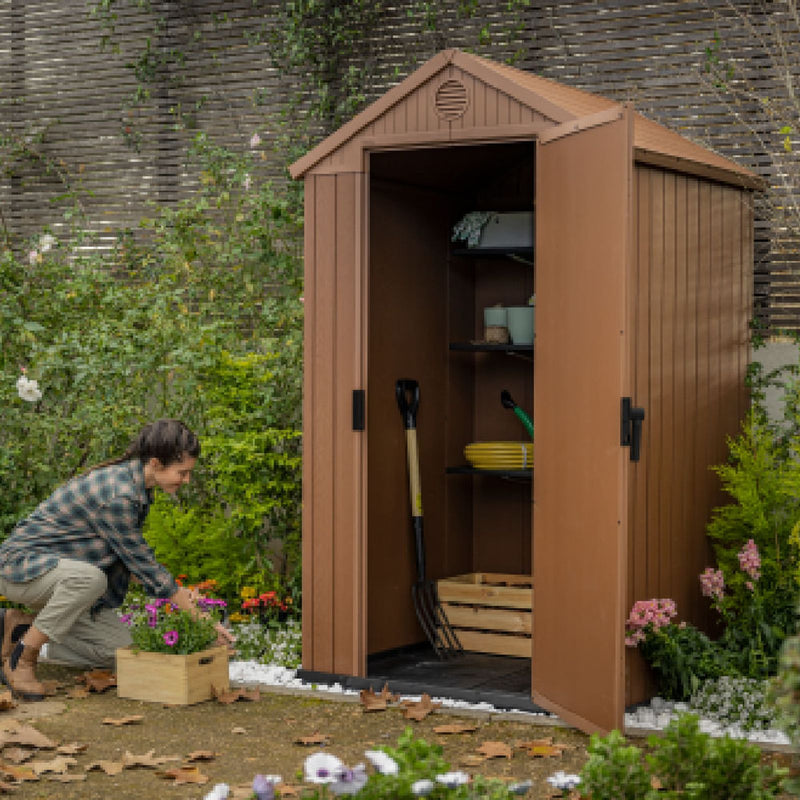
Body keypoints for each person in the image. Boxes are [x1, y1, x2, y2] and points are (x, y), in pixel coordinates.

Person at [0, 419, 234, 701]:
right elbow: (144, 566)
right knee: (91, 580)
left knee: (122, 653)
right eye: (182, 473)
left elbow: (134, 563)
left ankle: (23, 628)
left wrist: (181, 594)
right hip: (22, 568)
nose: (186, 480)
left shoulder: (137, 488)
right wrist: (202, 619)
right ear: (156, 463)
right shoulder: (119, 495)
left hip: (60, 578)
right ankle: (21, 659)